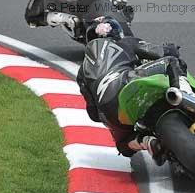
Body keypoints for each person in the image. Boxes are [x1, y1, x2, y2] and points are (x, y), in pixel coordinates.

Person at [77, 16, 184, 160]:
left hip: (109, 111)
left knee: (123, 145)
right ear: (116, 32)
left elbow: (93, 114)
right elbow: (160, 52)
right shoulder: (125, 42)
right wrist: (170, 49)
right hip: (127, 81)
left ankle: (145, 142)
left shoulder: (82, 71)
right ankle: (183, 95)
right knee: (172, 62)